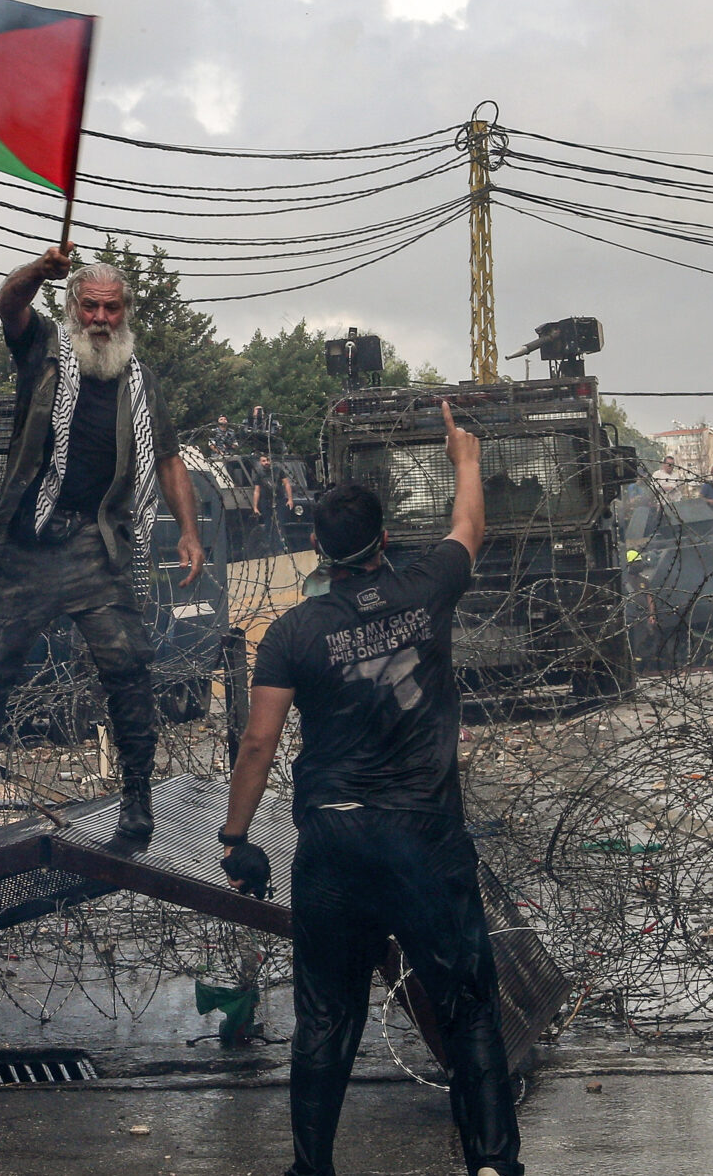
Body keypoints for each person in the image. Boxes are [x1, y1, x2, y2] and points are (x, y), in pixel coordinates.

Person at [214, 402, 521, 1176]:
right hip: (425, 839)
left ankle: (312, 1169)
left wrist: (235, 837)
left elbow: (259, 741)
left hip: (337, 843)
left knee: (326, 1016)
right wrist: (466, 460)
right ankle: (491, 1164)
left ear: (317, 547)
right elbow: (468, 529)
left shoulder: (292, 632)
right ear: (384, 541)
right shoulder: (427, 586)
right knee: (468, 1005)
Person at [0, 244, 206, 853]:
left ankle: (138, 804)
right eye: (90, 308)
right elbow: (7, 304)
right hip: (25, 545)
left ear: (125, 313)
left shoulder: (140, 380)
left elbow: (167, 458)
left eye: (111, 309)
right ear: (73, 308)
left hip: (94, 542)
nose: (101, 320)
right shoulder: (44, 351)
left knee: (128, 668)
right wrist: (38, 271)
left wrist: (189, 531)